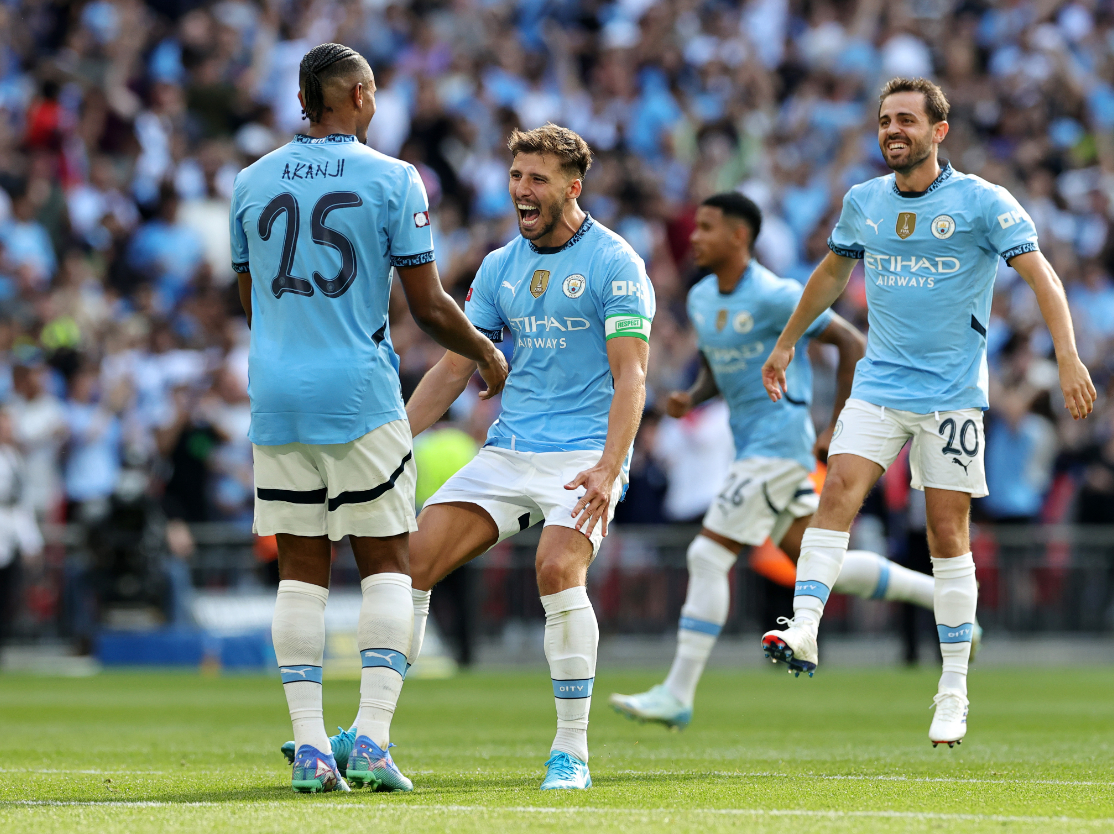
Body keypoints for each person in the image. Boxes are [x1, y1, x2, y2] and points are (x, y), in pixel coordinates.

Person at [759, 77, 1096, 748]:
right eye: (886, 119)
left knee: (947, 534)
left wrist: (1067, 355)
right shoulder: (865, 202)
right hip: (880, 386)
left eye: (907, 120)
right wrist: (788, 341)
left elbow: (1041, 276)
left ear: (938, 132)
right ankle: (805, 627)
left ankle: (952, 689)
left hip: (952, 398)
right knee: (838, 496)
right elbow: (831, 273)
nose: (893, 129)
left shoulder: (981, 202)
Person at [230, 43, 507, 794]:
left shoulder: (250, 181)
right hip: (357, 394)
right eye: (374, 90)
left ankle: (312, 748)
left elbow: (252, 304)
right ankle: (374, 740)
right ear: (354, 95)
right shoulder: (392, 178)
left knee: (299, 571)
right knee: (387, 564)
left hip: (277, 394)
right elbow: (427, 306)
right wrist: (483, 351)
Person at [609, 192, 969, 730]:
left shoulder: (776, 295)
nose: (695, 237)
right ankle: (944, 596)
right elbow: (719, 365)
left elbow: (851, 343)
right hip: (750, 445)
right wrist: (695, 396)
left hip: (777, 447)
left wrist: (836, 424)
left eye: (707, 227)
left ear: (739, 237)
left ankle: (677, 692)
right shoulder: (704, 298)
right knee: (818, 562)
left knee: (707, 557)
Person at [373, 123, 652, 791]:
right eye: (516, 177)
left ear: (572, 188)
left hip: (584, 455)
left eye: (537, 180)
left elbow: (633, 376)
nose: (521, 191)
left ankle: (572, 752)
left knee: (557, 568)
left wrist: (610, 466)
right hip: (510, 451)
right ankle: (372, 740)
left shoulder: (616, 263)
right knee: (409, 564)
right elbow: (451, 368)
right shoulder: (501, 266)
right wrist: (390, 442)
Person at [0, 403, 43, 666]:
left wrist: (31, 540)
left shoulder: (13, 457)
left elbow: (20, 504)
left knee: (3, 599)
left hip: (9, 535)